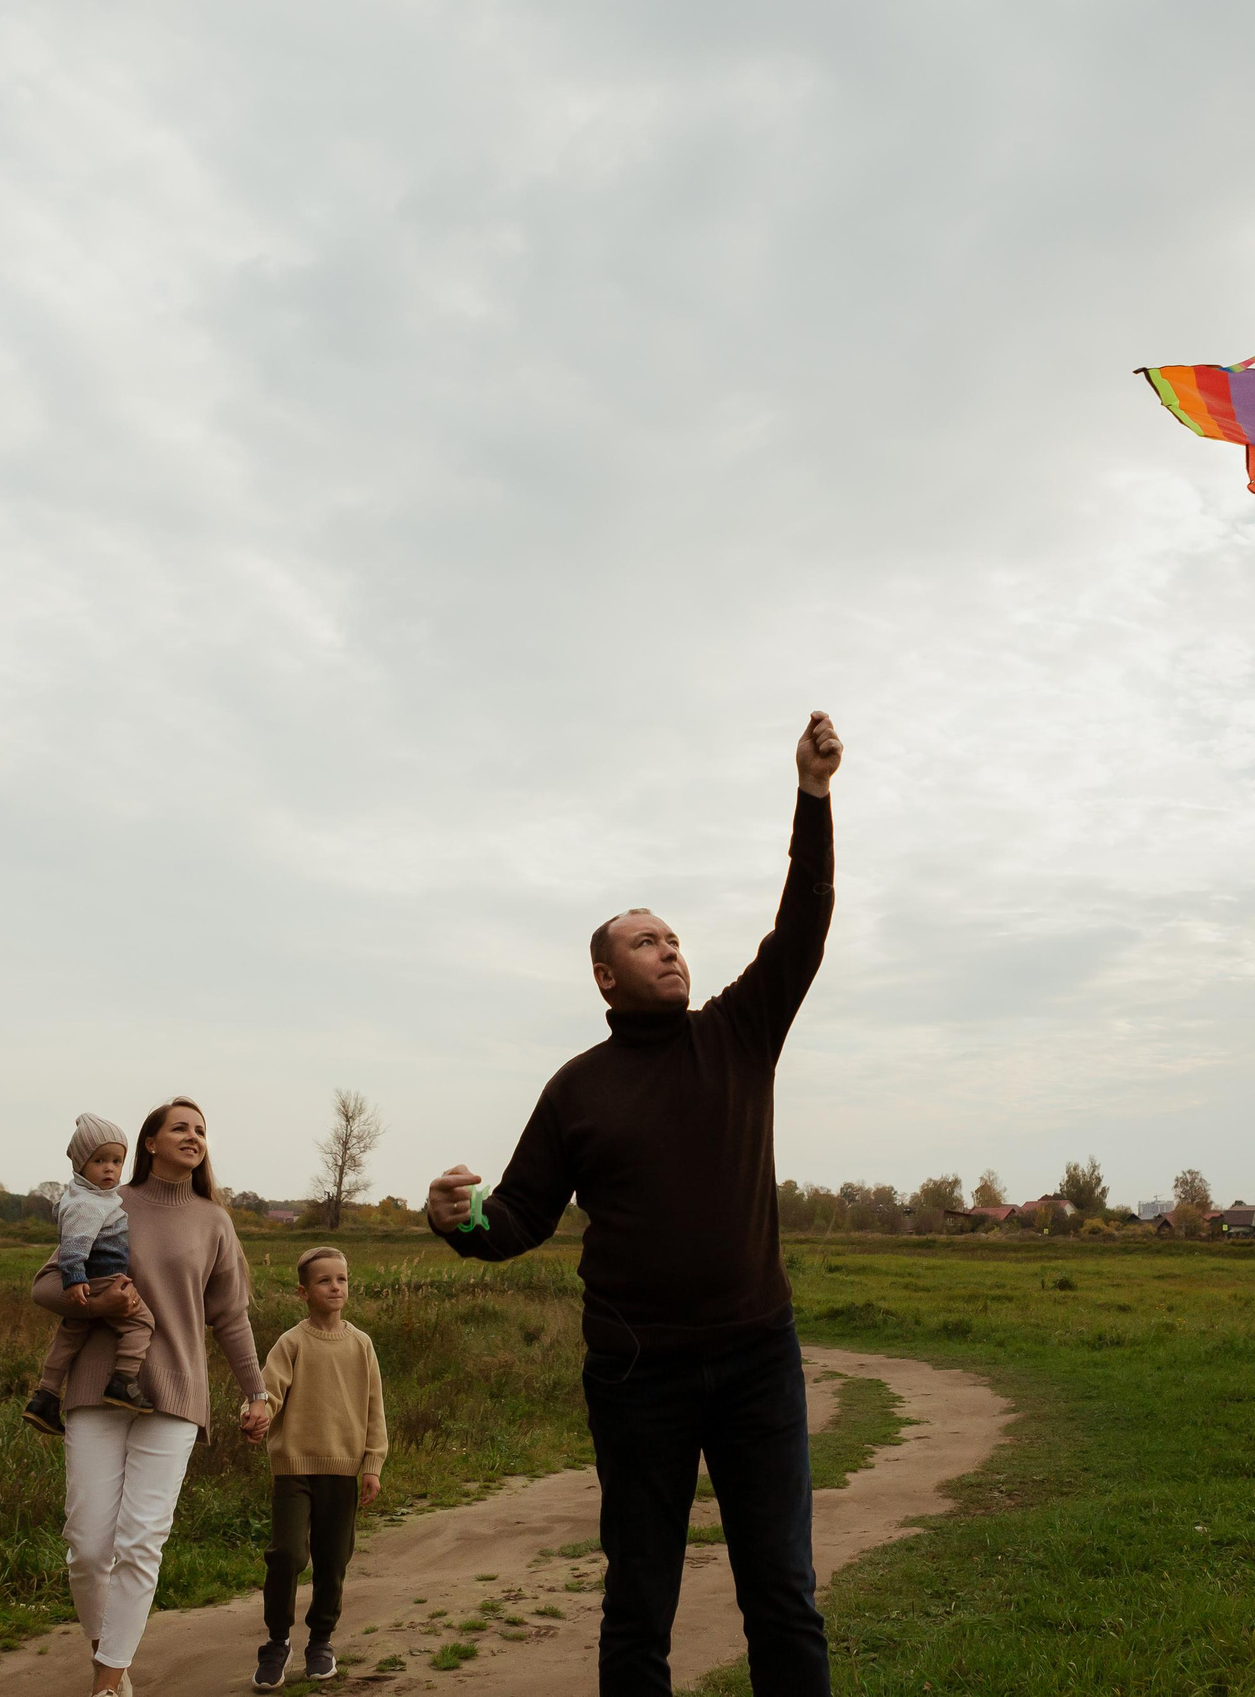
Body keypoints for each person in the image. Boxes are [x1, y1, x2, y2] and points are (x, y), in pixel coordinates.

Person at [426, 710, 845, 1697]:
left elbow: (802, 925)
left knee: (781, 1591)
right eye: (646, 942)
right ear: (607, 976)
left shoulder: (739, 1034)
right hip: (635, 1376)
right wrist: (458, 1222)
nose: (671, 951)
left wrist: (813, 798)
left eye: (674, 937)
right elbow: (518, 1218)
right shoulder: (578, 1088)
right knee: (639, 1596)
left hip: (754, 1360)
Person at [32, 1096, 275, 1696]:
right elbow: (45, 1286)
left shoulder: (214, 1221)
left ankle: (109, 1682)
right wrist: (96, 1301)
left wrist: (257, 1393)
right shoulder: (107, 1202)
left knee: (141, 1541)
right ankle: (107, 1653)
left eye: (201, 1130)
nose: (194, 1137)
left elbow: (232, 1318)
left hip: (176, 1392)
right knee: (87, 1546)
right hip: (97, 1386)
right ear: (150, 1142)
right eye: (180, 1128)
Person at [252, 1245, 390, 1690]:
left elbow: (374, 1409)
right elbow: (269, 1392)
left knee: (333, 1560)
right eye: (324, 1280)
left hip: (343, 1470)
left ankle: (320, 1643)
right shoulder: (291, 1343)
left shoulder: (361, 1344)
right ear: (303, 1291)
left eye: (342, 1279)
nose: (335, 1287)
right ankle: (277, 1643)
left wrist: (372, 1463)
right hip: (293, 1468)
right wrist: (255, 1413)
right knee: (287, 1555)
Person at [24, 1113, 157, 1434]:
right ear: (81, 1165)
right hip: (103, 1279)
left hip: (89, 1280)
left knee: (70, 1336)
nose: (110, 1168)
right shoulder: (88, 1205)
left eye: (116, 1160)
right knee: (142, 1323)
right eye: (99, 1161)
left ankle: (46, 1396)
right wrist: (74, 1280)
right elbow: (74, 1247)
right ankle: (123, 1381)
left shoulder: (85, 1198)